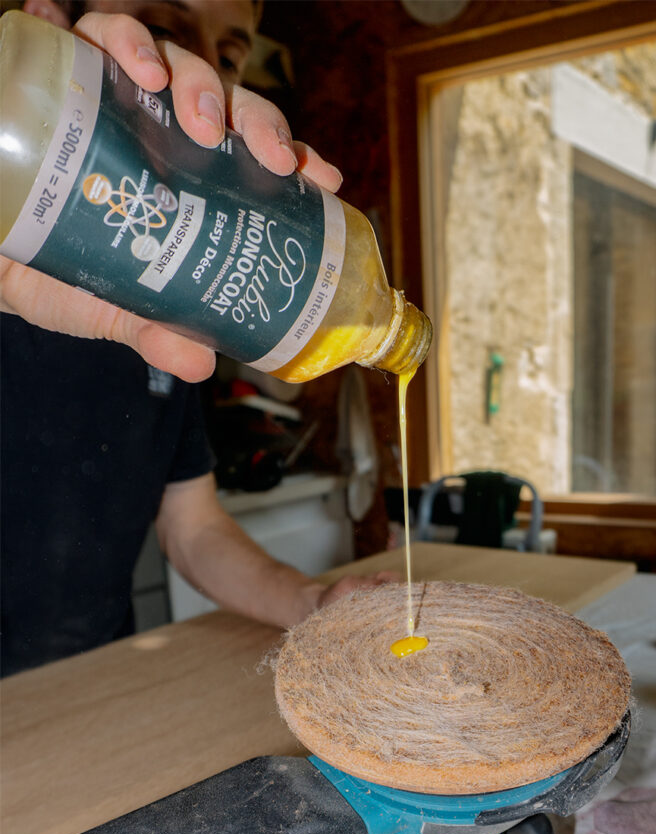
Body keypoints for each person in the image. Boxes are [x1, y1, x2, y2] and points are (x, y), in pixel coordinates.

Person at [0, 0, 393, 677]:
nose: (206, 70)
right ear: (49, 17)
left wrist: (312, 601)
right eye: (160, 30)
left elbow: (194, 527)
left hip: (84, 693)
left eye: (231, 54)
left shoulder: (176, 312)